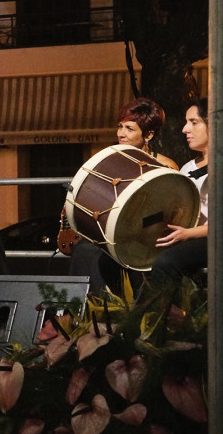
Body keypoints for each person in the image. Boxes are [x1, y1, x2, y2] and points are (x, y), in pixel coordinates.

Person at [68, 97, 175, 292]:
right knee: (84, 249)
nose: (121, 134)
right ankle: (83, 311)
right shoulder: (110, 161)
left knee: (98, 253)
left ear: (149, 134)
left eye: (129, 129)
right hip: (112, 233)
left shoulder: (165, 166)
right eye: (120, 127)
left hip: (144, 236)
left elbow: (167, 213)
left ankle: (114, 312)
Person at [150, 97, 211, 280]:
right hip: (188, 236)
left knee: (164, 262)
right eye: (186, 122)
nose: (185, 129)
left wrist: (187, 234)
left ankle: (167, 308)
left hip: (215, 240)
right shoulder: (188, 167)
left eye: (194, 122)